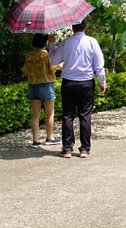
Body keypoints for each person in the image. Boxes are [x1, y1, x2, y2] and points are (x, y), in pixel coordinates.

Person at [48, 18, 107, 159]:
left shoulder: (66, 42)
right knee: (85, 115)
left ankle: (67, 148)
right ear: (85, 27)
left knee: (68, 115)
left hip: (68, 82)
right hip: (86, 82)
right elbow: (99, 66)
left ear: (72, 28)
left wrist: (51, 44)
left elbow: (54, 61)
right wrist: (102, 82)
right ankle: (84, 149)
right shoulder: (92, 42)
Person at [21, 33, 61, 147]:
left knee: (35, 115)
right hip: (46, 85)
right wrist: (59, 66)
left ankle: (35, 140)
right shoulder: (46, 55)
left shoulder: (29, 55)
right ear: (45, 42)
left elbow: (25, 69)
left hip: (33, 86)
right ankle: (49, 138)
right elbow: (52, 69)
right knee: (49, 113)